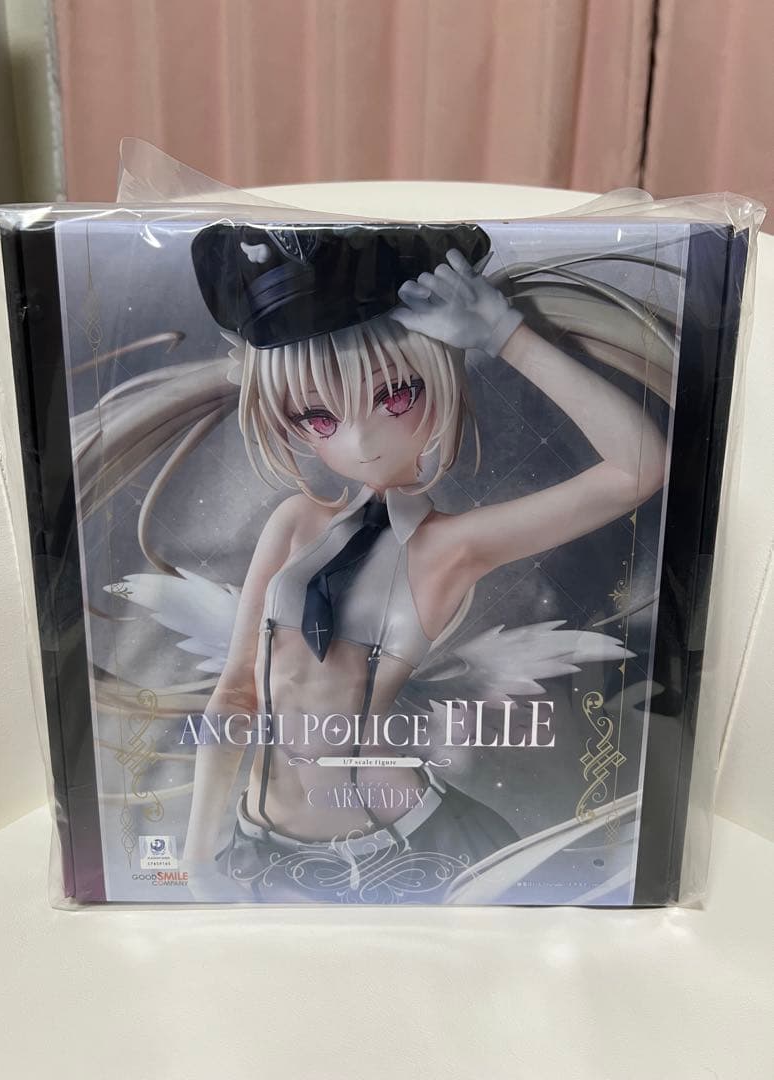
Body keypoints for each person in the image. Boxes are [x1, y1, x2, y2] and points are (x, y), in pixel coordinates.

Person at [161, 222, 668, 902]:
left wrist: (506, 335)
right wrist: (200, 854)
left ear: (437, 383)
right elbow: (235, 695)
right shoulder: (294, 522)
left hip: (405, 847)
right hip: (257, 839)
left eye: (394, 396)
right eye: (317, 415)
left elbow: (639, 467)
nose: (361, 439)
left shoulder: (448, 548)